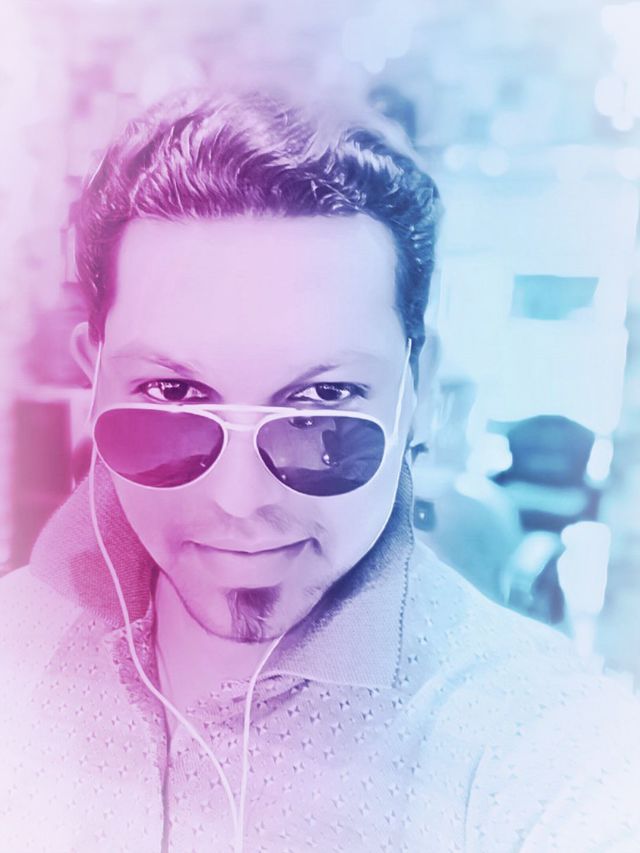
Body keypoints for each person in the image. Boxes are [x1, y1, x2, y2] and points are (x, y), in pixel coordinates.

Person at [1, 88, 639, 853]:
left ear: (422, 392)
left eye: (324, 401)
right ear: (94, 378)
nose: (239, 501)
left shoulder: (545, 745)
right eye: (171, 394)